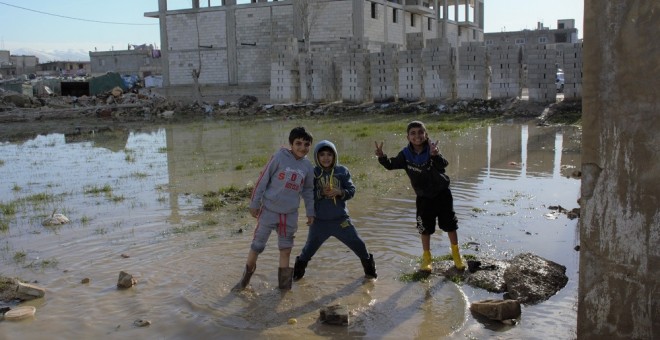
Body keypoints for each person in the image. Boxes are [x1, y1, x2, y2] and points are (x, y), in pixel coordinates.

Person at [374, 121, 465, 272]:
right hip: (423, 197)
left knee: (450, 225)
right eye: (413, 133)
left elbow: (442, 166)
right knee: (424, 228)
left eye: (420, 132)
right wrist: (382, 157)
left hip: (442, 194)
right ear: (408, 137)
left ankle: (456, 256)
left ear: (426, 134)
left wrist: (435, 155)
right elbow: (391, 165)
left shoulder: (432, 149)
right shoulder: (405, 154)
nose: (417, 136)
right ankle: (427, 258)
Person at [233, 127, 315, 291]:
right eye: (298, 143)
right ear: (291, 144)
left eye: (306, 144)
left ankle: (284, 289)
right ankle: (243, 282)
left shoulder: (307, 166)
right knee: (257, 246)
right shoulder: (279, 157)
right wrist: (254, 203)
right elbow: (263, 179)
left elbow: (308, 190)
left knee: (286, 250)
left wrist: (310, 211)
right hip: (269, 211)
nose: (302, 147)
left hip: (290, 215)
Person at [293, 140, 377, 281]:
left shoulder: (342, 171)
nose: (326, 158)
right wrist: (321, 193)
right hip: (319, 223)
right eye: (322, 155)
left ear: (334, 156)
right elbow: (306, 194)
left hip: (341, 221)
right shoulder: (313, 173)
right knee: (307, 251)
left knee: (359, 244)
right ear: (316, 157)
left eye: (329, 154)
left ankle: (371, 276)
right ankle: (296, 278)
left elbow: (351, 191)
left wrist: (340, 192)